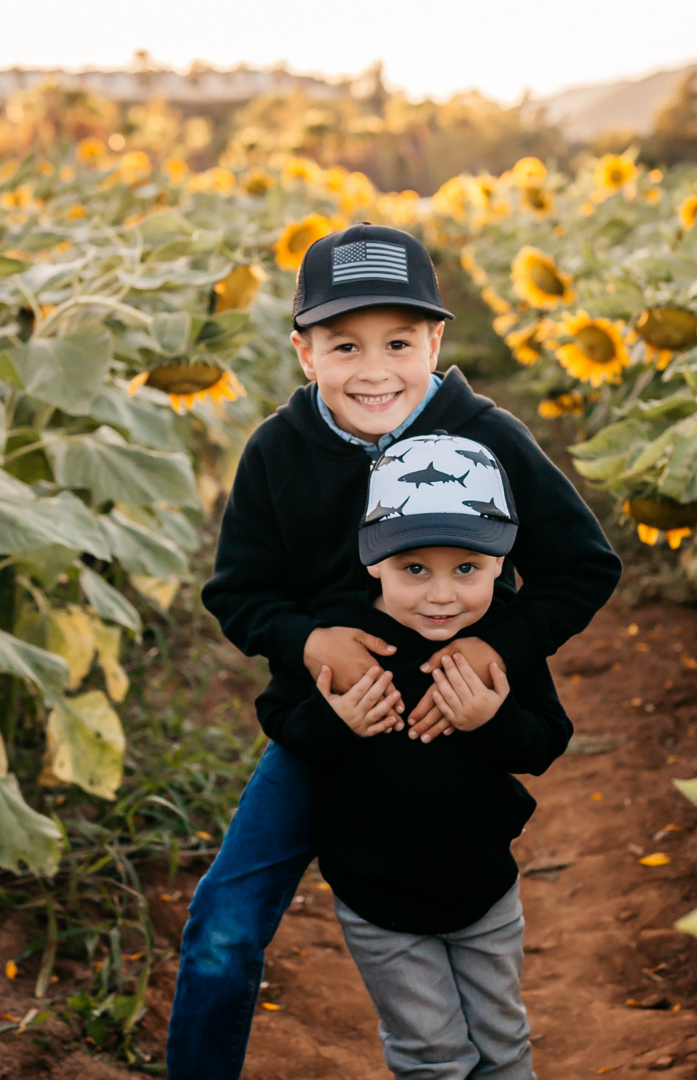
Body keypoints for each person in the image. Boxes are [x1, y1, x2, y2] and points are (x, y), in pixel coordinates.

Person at [166, 223, 621, 1079]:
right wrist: (309, 642)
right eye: (345, 344)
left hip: (457, 721)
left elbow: (583, 566)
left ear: (434, 341)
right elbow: (238, 594)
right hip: (331, 726)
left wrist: (499, 648)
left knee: (474, 958)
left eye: (399, 342)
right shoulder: (276, 453)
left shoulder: (486, 434)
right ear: (305, 352)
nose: (374, 369)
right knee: (224, 928)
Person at [256, 434, 572, 1078]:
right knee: (428, 1054)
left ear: (500, 562)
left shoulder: (501, 640)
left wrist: (492, 720)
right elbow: (279, 717)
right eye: (414, 569)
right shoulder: (343, 634)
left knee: (503, 1041)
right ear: (373, 561)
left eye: (467, 569)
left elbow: (544, 741)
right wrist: (334, 719)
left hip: (484, 887)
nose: (442, 596)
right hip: (376, 897)